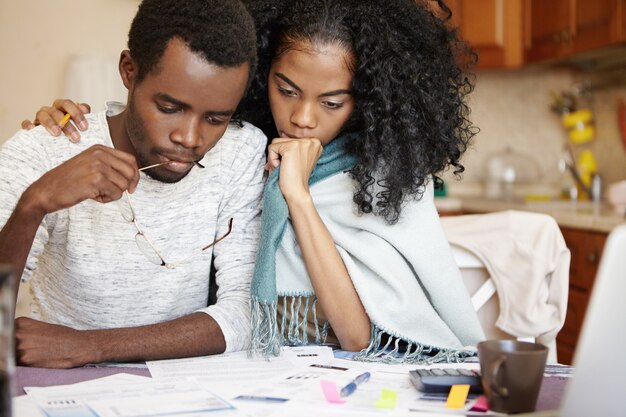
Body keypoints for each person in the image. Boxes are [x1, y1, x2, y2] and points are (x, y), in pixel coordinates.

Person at [24, 0, 485, 363]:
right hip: (222, 365)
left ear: (365, 100)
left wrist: (297, 195)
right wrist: (65, 131)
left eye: (332, 102)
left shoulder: (384, 176)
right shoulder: (242, 146)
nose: (302, 119)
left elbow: (355, 335)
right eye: (286, 90)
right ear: (260, 75)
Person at [0, 0, 266, 368]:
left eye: (216, 118)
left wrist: (91, 347)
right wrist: (34, 203)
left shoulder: (240, 151)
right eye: (170, 108)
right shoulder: (45, 149)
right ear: (129, 71)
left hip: (186, 389)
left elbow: (245, 316)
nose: (190, 138)